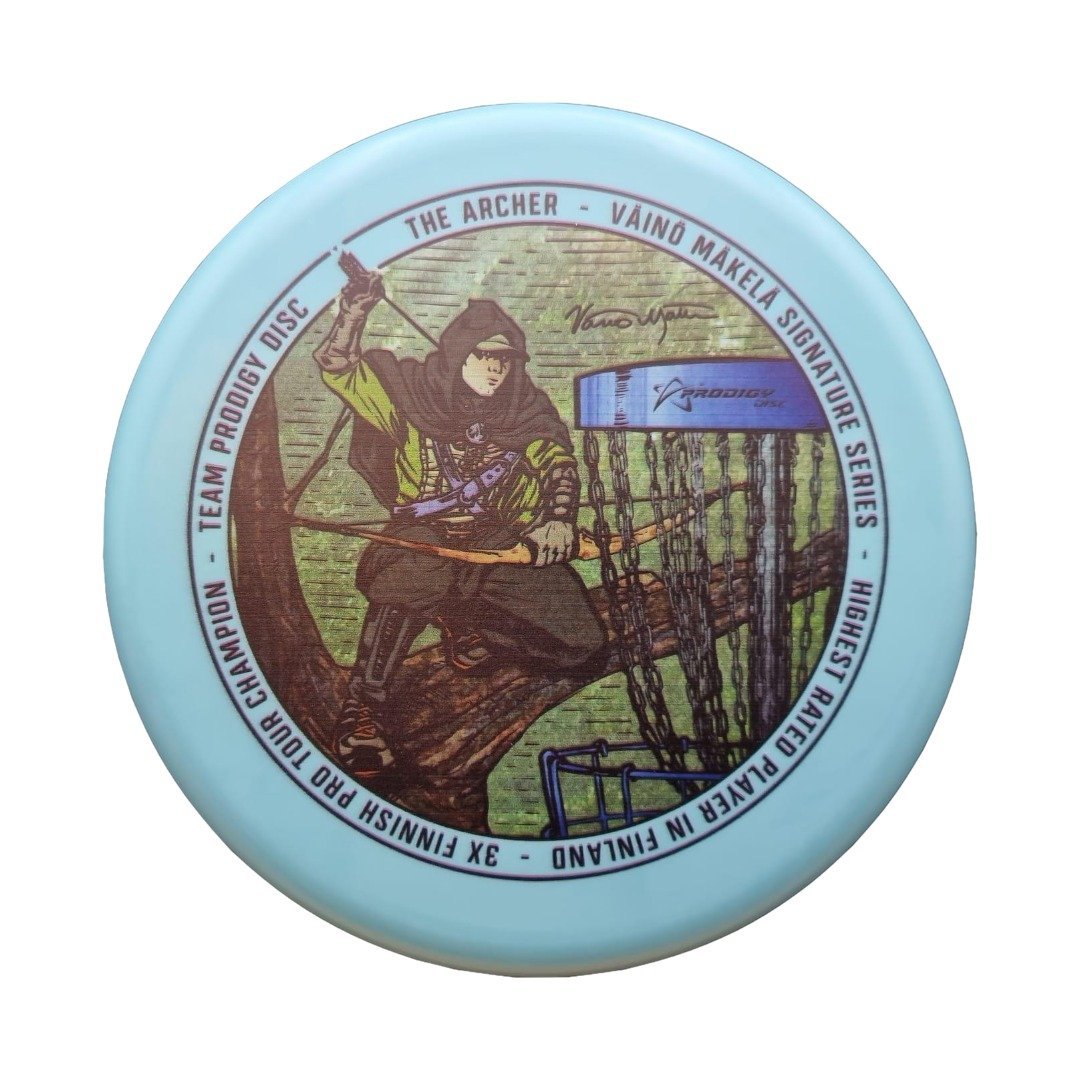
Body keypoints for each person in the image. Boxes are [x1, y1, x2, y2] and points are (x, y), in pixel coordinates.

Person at [313, 268, 606, 776]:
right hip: (423, 537)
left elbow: (556, 463)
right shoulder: (407, 395)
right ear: (456, 355)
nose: (495, 368)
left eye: (505, 358)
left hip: (497, 544)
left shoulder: (525, 408)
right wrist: (353, 313)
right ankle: (365, 708)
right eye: (483, 355)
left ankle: (466, 622)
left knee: (582, 646)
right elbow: (339, 367)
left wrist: (559, 519)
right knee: (411, 579)